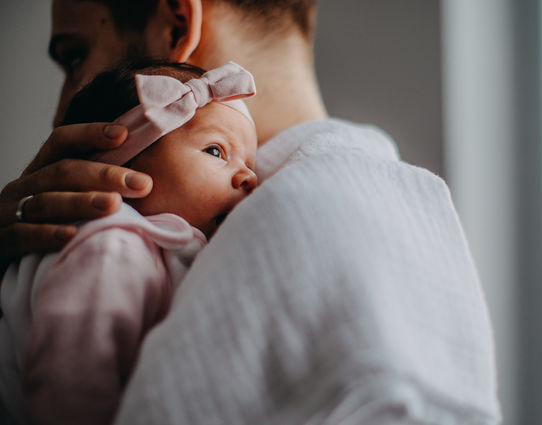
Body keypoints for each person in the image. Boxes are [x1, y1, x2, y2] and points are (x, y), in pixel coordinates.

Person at [0, 1, 502, 424]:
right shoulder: (390, 205)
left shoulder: (308, 219)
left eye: (74, 56)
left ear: (177, 25)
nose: (60, 111)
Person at [0, 60, 258, 425]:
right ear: (122, 170)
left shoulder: (155, 242)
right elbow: (71, 374)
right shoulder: (112, 245)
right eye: (216, 151)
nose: (249, 177)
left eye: (251, 163)